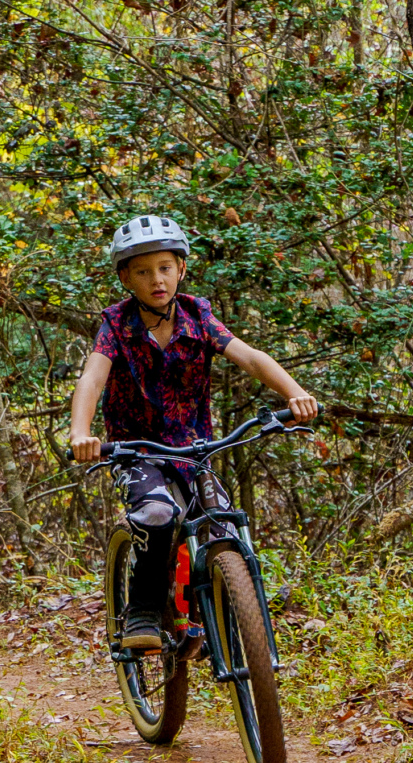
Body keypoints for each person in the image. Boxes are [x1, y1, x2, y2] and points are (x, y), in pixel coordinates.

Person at [68, 215, 319, 650]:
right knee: (158, 514)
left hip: (192, 447)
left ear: (181, 269)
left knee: (220, 520)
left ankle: (222, 616)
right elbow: (92, 378)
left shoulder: (198, 317)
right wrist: (80, 433)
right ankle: (143, 609)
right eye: (143, 271)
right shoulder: (115, 325)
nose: (157, 280)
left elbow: (250, 357)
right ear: (126, 277)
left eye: (165, 267)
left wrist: (295, 393)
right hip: (135, 451)